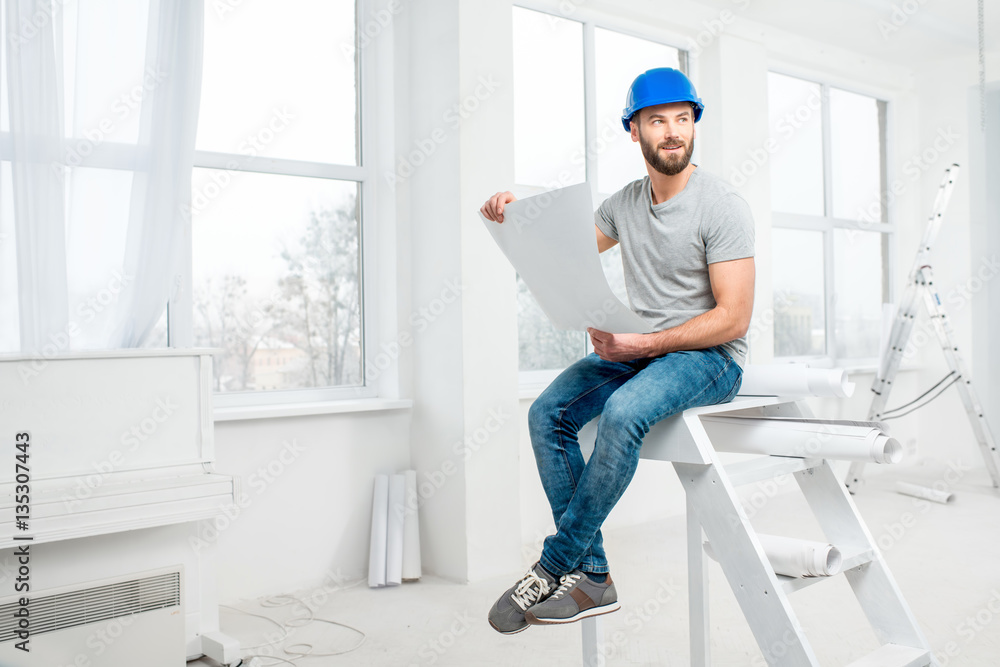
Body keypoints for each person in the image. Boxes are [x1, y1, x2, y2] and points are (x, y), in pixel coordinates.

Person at [481, 67, 755, 634]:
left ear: (694, 126)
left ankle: (556, 565)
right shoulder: (624, 205)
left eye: (683, 119)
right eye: (658, 120)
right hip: (641, 348)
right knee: (546, 413)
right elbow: (562, 247)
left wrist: (648, 343)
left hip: (712, 359)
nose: (673, 131)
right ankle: (595, 578)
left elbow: (734, 317)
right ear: (635, 131)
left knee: (624, 413)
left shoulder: (722, 204)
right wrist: (515, 211)